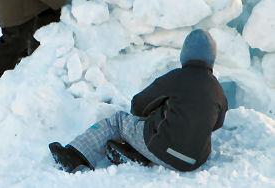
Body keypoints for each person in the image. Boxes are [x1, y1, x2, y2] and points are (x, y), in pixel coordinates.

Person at [49, 29, 228, 173]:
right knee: (160, 123)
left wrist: (153, 115)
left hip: (163, 151)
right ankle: (137, 155)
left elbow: (139, 105)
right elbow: (216, 124)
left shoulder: (177, 78)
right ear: (211, 58)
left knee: (118, 121)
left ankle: (74, 155)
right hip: (194, 161)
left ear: (185, 54)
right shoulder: (218, 91)